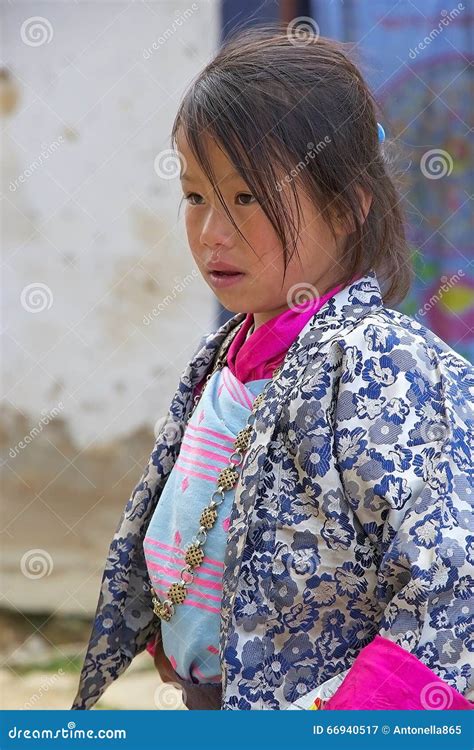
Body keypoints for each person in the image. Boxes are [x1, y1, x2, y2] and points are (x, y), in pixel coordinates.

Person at [71, 25, 473, 711]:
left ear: (347, 206)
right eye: (196, 197)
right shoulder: (232, 355)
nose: (210, 233)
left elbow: (453, 587)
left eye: (246, 198)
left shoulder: (379, 363)